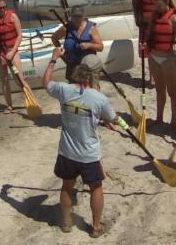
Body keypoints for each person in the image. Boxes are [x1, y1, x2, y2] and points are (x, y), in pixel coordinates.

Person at [42, 47, 130, 238]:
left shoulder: (64, 90)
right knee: (96, 188)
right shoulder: (99, 98)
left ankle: (66, 222)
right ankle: (96, 227)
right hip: (89, 154)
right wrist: (122, 123)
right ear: (95, 74)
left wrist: (53, 59)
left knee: (67, 186)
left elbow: (46, 83)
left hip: (67, 152)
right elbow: (112, 117)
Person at [0, 0, 34, 114]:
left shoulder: (13, 16)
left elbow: (20, 35)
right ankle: (9, 106)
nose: (3, 10)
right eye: (0, 8)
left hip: (12, 51)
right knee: (4, 80)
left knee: (19, 79)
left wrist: (12, 52)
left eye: (4, 7)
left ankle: (33, 102)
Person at [146, 0, 176, 127]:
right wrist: (145, 44)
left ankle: (173, 122)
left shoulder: (174, 18)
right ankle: (159, 118)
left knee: (172, 92)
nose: (157, 7)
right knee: (159, 90)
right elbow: (149, 34)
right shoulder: (154, 15)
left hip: (168, 59)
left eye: (159, 5)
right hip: (154, 57)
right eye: (155, 4)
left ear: (166, 2)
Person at [51, 6, 104, 82]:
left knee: (89, 85)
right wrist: (62, 54)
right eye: (74, 16)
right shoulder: (66, 28)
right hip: (72, 66)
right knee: (73, 86)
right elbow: (54, 38)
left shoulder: (91, 28)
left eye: (79, 16)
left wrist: (89, 45)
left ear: (83, 17)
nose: (77, 19)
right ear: (71, 17)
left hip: (87, 67)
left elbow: (100, 47)